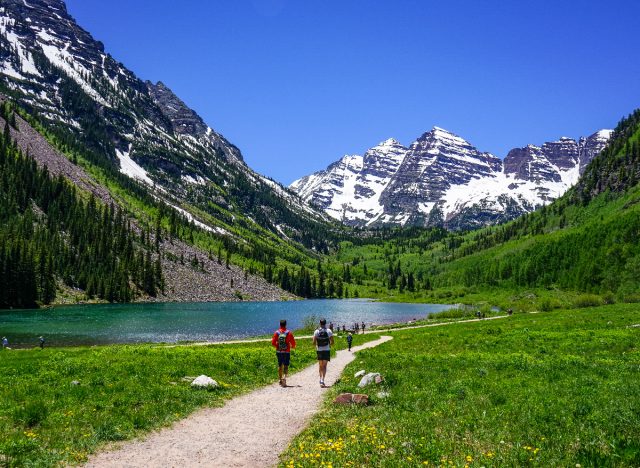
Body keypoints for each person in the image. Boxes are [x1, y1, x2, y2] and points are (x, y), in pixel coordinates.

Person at [272, 319, 296, 387]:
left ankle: (280, 379)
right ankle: (285, 378)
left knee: (280, 365)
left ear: (280, 324)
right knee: (286, 365)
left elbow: (273, 343)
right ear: (286, 324)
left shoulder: (276, 333)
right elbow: (293, 343)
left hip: (279, 351)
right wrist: (293, 347)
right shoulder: (289, 333)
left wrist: (278, 346)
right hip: (287, 351)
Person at [313, 318, 334, 387]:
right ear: (325, 323)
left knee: (320, 365)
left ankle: (320, 379)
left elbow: (313, 342)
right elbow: (332, 342)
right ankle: (322, 380)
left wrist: (317, 345)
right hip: (326, 350)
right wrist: (329, 345)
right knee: (324, 366)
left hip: (319, 350)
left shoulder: (316, 331)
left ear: (320, 323)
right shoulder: (329, 331)